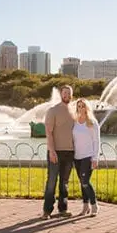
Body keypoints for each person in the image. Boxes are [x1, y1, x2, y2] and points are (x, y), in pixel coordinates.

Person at [42, 85, 76, 218]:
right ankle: (47, 210)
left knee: (64, 182)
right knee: (51, 182)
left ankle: (63, 209)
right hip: (55, 152)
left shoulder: (74, 111)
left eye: (69, 93)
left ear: (72, 95)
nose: (67, 95)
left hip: (70, 152)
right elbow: (48, 133)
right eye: (65, 93)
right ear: (61, 94)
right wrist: (51, 151)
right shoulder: (53, 111)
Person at [72, 98, 101, 216]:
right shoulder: (75, 122)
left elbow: (96, 141)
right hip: (76, 157)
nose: (80, 108)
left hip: (88, 157)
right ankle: (85, 207)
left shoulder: (92, 123)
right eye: (79, 106)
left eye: (83, 106)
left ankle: (94, 205)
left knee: (85, 182)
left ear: (87, 107)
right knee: (82, 182)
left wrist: (95, 158)